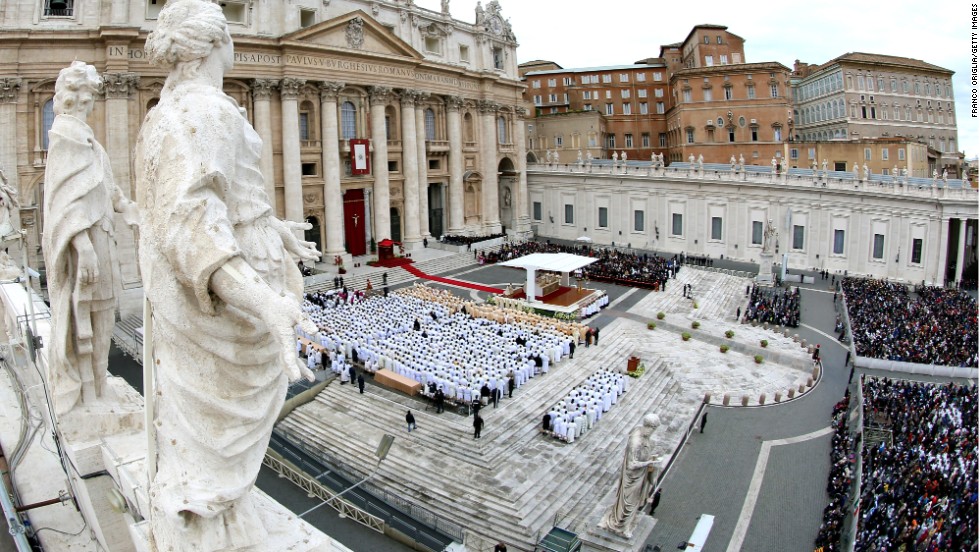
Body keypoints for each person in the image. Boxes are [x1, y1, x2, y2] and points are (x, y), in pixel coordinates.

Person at [135, 1, 321, 549]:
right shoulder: (207, 112)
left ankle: (219, 514)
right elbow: (190, 221)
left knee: (207, 424)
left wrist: (273, 228)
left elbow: (220, 202)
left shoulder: (169, 110)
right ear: (219, 43)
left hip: (212, 285)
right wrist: (267, 303)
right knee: (223, 422)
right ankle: (210, 518)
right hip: (228, 301)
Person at [43, 61, 141, 416]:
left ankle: (99, 385)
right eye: (91, 94)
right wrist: (82, 245)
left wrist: (129, 209)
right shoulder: (65, 135)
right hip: (85, 244)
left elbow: (108, 187)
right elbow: (65, 200)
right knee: (84, 316)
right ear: (79, 95)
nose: (94, 99)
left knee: (104, 317)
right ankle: (87, 391)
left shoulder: (89, 139)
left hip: (105, 238)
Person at [600, 414, 660, 537]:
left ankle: (625, 524)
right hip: (632, 477)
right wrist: (650, 462)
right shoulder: (636, 441)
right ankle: (622, 526)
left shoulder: (639, 430)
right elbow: (631, 464)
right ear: (649, 427)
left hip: (638, 475)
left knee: (633, 501)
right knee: (630, 502)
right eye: (653, 429)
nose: (653, 432)